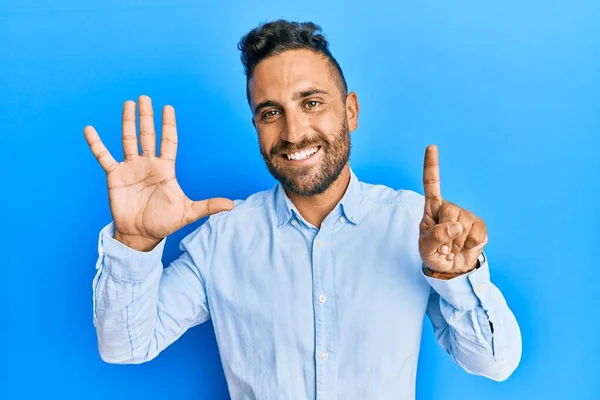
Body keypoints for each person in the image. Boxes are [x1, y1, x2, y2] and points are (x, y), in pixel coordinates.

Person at [84, 19, 521, 400]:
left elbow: (494, 363)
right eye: (271, 112)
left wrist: (456, 277)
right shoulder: (223, 238)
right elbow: (125, 345)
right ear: (256, 124)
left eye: (312, 103)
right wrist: (136, 242)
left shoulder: (413, 227)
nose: (293, 132)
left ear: (350, 111)